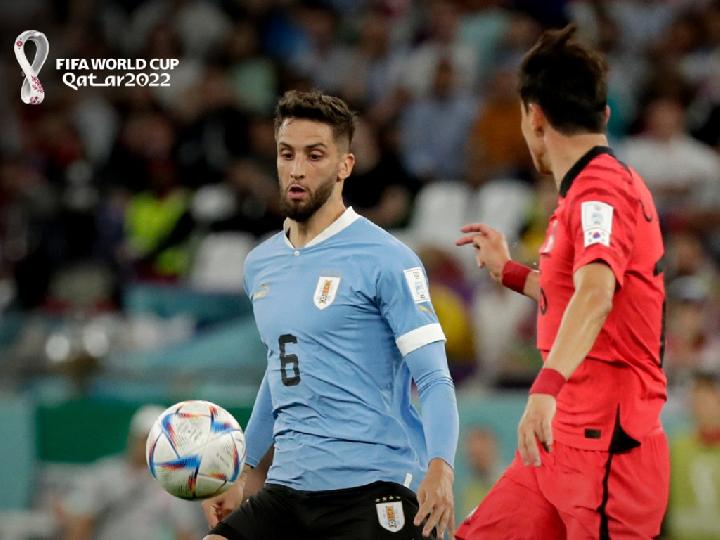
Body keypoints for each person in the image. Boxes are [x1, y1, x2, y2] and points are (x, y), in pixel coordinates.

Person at [201, 90, 459, 540]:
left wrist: (441, 467)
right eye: (287, 154)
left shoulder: (387, 258)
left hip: (370, 489)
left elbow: (434, 378)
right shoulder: (260, 264)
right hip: (287, 491)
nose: (297, 168)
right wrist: (241, 470)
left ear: (345, 166)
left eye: (314, 155)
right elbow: (280, 371)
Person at [455, 25, 668, 539]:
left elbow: (596, 295)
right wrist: (509, 272)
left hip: (607, 451)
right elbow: (577, 295)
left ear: (534, 115)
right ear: (605, 115)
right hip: (557, 446)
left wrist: (544, 389)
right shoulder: (586, 193)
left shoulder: (600, 191)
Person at [55, 405, 201, 540]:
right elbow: (80, 519)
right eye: (146, 438)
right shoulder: (104, 474)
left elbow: (185, 529)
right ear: (133, 437)